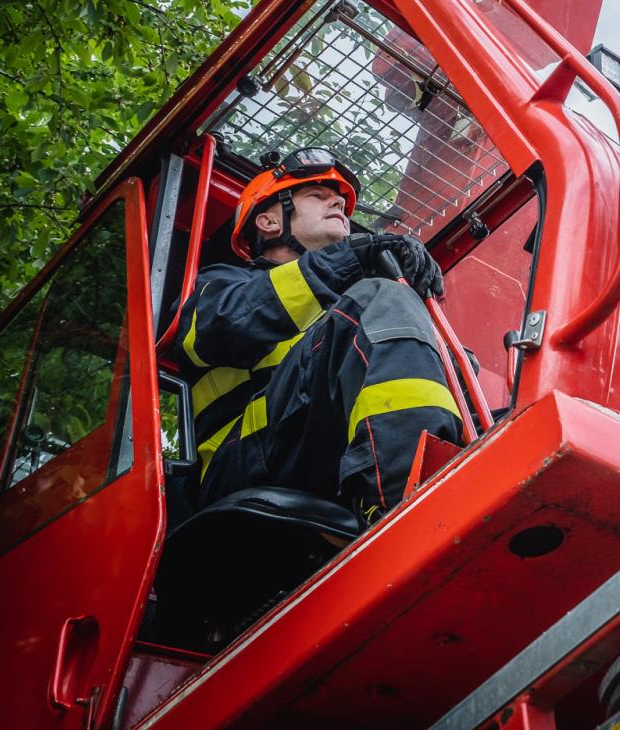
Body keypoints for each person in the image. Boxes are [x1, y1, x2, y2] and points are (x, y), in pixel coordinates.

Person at [174, 148, 462, 521]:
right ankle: (405, 498)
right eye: (317, 195)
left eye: (339, 200)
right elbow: (222, 327)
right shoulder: (221, 284)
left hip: (328, 449)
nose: (338, 202)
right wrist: (350, 263)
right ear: (269, 221)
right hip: (240, 459)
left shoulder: (349, 311)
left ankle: (454, 470)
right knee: (379, 297)